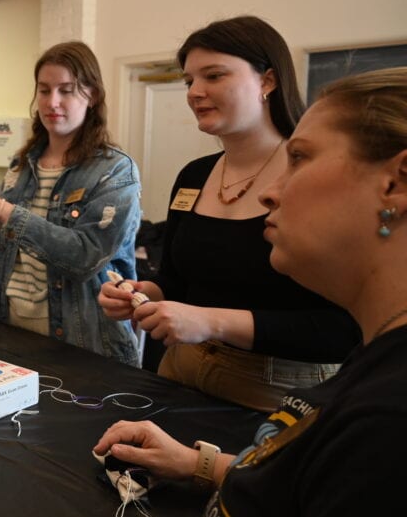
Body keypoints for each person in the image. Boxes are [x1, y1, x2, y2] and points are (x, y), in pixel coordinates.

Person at [93, 67, 407, 515]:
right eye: (188, 80)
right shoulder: (378, 360)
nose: (270, 193)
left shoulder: (388, 419)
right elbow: (300, 475)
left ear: (395, 182)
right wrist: (197, 463)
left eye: (299, 158)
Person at [98, 16, 359, 410]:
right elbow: (176, 284)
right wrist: (143, 295)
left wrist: (209, 322)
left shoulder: (315, 177)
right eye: (189, 81)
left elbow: (344, 330)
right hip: (179, 372)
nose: (195, 92)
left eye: (214, 76)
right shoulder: (194, 176)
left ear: (268, 81)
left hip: (276, 393)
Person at [0, 42, 142, 366]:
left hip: (82, 346)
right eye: (44, 90)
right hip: (9, 335)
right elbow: (9, 255)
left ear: (93, 95)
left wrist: (3, 210)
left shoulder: (114, 171)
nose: (52, 102)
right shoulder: (21, 166)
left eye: (66, 90)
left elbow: (84, 258)